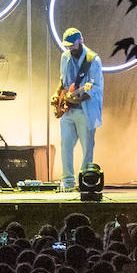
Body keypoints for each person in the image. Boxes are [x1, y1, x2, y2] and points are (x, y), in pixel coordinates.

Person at [53, 28, 103, 191]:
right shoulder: (64, 57)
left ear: (80, 40)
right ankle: (67, 182)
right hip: (68, 110)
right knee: (65, 145)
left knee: (87, 148)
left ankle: (84, 181)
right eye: (67, 46)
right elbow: (63, 80)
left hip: (85, 111)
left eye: (71, 45)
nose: (69, 49)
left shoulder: (93, 59)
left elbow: (96, 86)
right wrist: (57, 94)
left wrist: (81, 96)